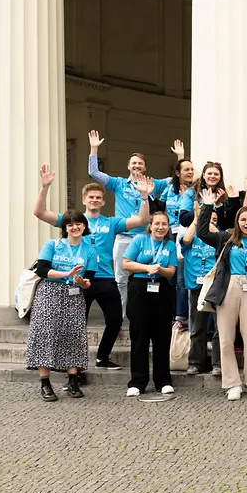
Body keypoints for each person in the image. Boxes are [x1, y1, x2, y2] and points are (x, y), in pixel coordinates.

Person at [33, 165, 151, 370]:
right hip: (77, 279)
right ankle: (73, 366)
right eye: (91, 197)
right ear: (84, 200)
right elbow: (40, 212)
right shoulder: (73, 221)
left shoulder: (112, 222)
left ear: (104, 201)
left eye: (98, 197)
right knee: (75, 324)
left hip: (105, 277)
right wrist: (44, 188)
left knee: (115, 320)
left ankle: (102, 357)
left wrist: (143, 196)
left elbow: (142, 220)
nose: (95, 200)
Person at [87, 130, 175, 314]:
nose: (137, 166)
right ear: (128, 166)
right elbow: (93, 172)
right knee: (121, 278)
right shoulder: (118, 183)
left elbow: (175, 180)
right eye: (134, 163)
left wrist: (180, 157)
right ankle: (121, 316)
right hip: (124, 236)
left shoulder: (153, 184)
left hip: (146, 237)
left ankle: (139, 312)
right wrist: (94, 149)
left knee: (146, 275)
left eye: (140, 163)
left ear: (144, 167)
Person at [196, 191, 247, 401]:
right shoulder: (226, 238)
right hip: (228, 287)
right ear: (237, 222)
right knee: (226, 339)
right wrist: (207, 206)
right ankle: (232, 383)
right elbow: (202, 232)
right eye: (243, 220)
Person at [28, 210, 98, 401]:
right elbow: (41, 269)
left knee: (73, 336)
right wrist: (65, 274)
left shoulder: (90, 251)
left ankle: (73, 380)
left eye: (78, 224)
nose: (74, 227)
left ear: (84, 226)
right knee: (45, 335)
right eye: (70, 225)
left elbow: (89, 280)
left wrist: (82, 282)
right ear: (64, 228)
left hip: (74, 296)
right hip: (49, 293)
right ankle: (45, 383)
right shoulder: (53, 245)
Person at [122, 211, 178, 397]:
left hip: (161, 289)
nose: (161, 227)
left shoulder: (169, 245)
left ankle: (163, 381)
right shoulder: (139, 240)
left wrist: (159, 269)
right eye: (157, 224)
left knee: (162, 336)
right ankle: (138, 382)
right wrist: (147, 267)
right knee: (139, 336)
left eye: (164, 224)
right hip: (140, 287)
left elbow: (171, 272)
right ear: (151, 225)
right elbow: (126, 264)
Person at [181, 202, 219, 376]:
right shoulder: (192, 235)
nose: (211, 222)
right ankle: (196, 362)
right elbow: (186, 240)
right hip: (197, 286)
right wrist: (197, 218)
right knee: (198, 326)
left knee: (220, 327)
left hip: (216, 286)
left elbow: (223, 240)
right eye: (208, 219)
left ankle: (218, 363)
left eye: (215, 219)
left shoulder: (218, 237)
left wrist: (209, 222)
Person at [159, 157, 195, 325]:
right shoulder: (169, 189)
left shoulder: (195, 190)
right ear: (177, 173)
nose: (190, 172)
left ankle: (181, 316)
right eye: (186, 169)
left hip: (185, 234)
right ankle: (168, 312)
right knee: (169, 276)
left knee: (181, 276)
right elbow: (159, 207)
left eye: (192, 169)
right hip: (168, 234)